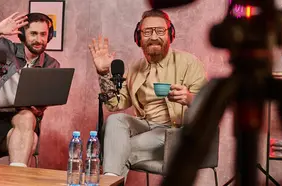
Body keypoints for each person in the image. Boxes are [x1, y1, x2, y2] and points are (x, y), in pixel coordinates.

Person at [88, 9, 208, 177]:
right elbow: (115, 104)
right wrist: (104, 73)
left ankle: (108, 179)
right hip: (145, 127)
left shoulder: (189, 64)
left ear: (170, 35)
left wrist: (189, 98)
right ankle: (111, 177)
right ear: (138, 38)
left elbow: (208, 108)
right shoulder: (135, 68)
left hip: (175, 133)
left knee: (116, 150)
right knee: (115, 120)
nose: (153, 37)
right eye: (147, 31)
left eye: (160, 31)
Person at [0, 12, 60, 167]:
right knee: (31, 140)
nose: (39, 40)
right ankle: (18, 179)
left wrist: (39, 108)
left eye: (43, 34)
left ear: (49, 36)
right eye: (33, 34)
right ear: (22, 35)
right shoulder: (4, 48)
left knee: (27, 116)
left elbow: (43, 104)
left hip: (24, 120)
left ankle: (14, 178)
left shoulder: (51, 65)